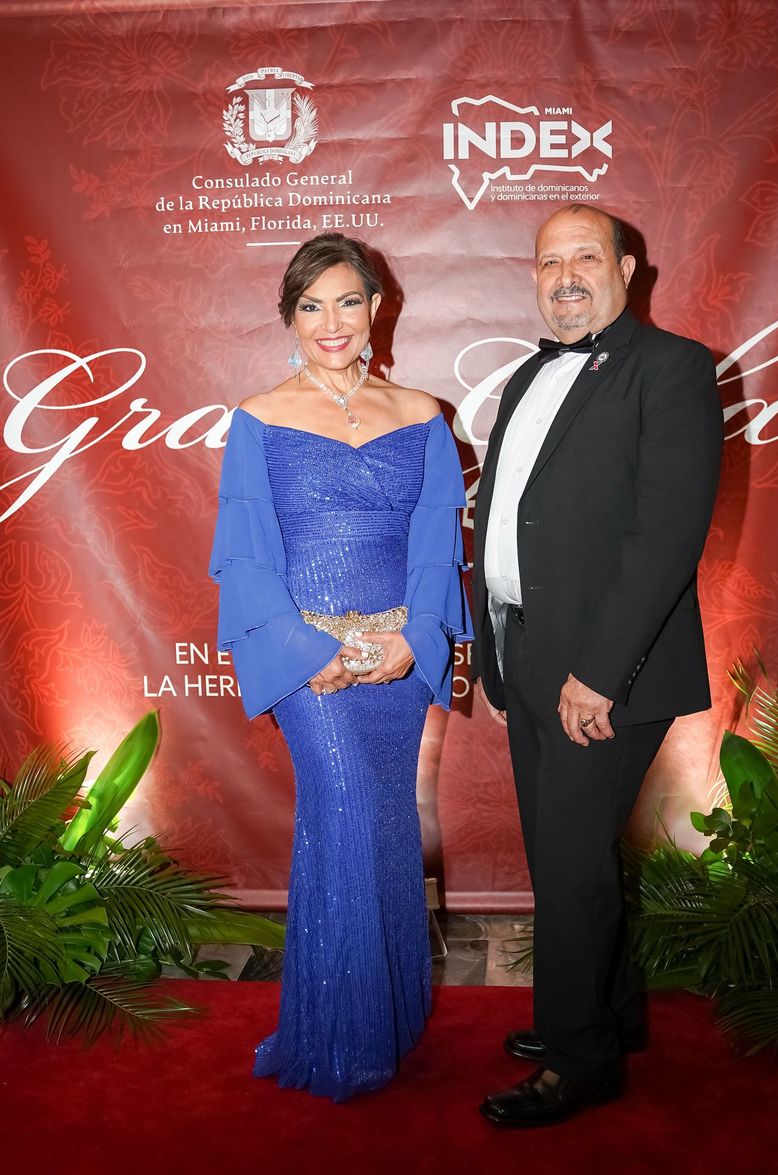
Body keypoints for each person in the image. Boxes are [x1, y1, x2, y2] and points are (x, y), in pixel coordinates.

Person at [471, 204, 723, 1127]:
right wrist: (502, 652)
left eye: (585, 257)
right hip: (528, 650)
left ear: (627, 268)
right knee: (561, 857)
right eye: (548, 261)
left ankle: (579, 1061)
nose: (565, 275)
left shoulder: (672, 368)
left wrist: (598, 671)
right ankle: (605, 1016)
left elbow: (665, 536)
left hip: (604, 668)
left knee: (572, 863)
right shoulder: (532, 374)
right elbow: (516, 522)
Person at [209, 233, 472, 1102]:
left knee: (387, 822)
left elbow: (439, 544)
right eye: (311, 305)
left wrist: (419, 634)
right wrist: (303, 654)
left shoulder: (423, 414)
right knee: (348, 809)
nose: (332, 321)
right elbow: (245, 558)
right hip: (310, 665)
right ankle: (342, 1036)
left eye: (348, 301)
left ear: (376, 310)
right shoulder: (257, 417)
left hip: (395, 659)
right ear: (288, 318)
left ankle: (386, 1018)